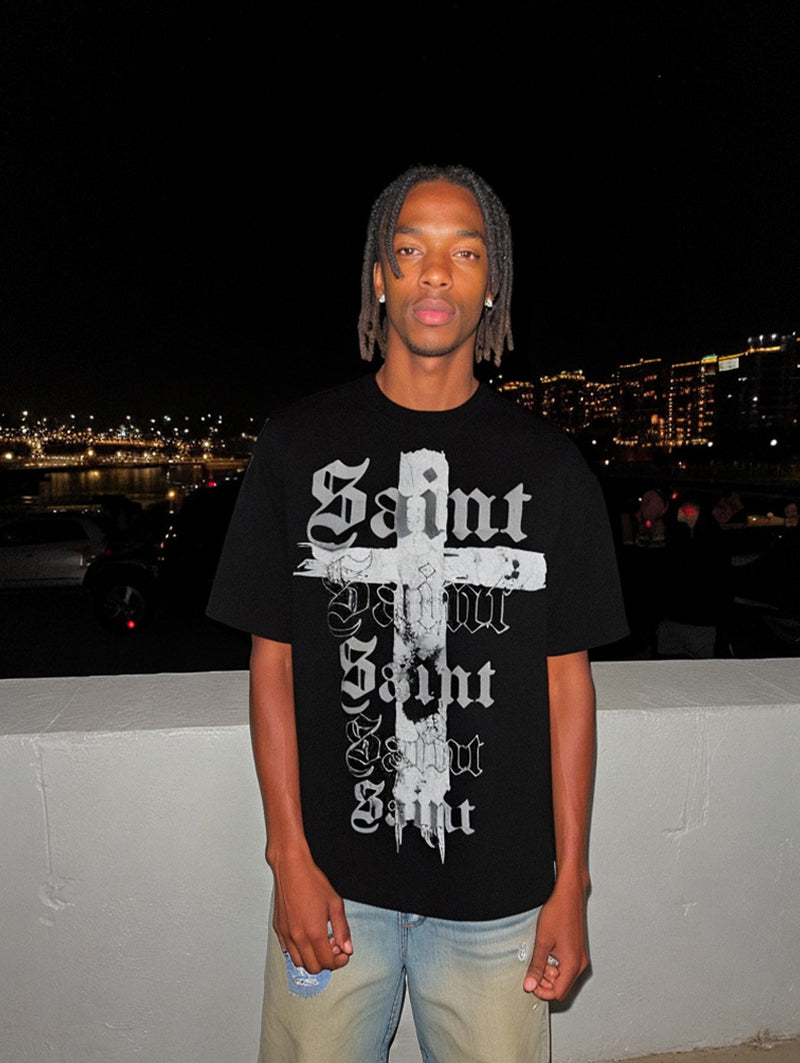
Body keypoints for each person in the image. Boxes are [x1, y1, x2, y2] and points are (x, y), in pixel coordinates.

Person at [207, 164, 628, 1063]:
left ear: (492, 284)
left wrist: (572, 884)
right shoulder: (295, 446)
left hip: (499, 899)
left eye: (464, 252)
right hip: (333, 885)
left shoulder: (550, 468)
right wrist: (289, 858)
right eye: (410, 249)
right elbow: (273, 661)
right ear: (379, 277)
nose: (436, 272)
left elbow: (567, 688)